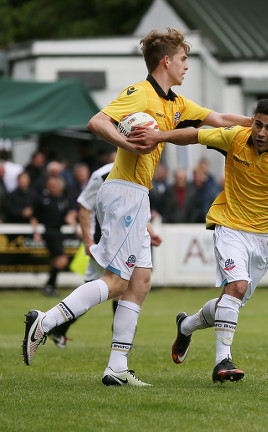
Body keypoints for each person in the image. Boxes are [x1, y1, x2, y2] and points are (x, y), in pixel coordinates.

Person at [22, 27, 252, 387]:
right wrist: (126, 144)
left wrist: (257, 125)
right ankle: (45, 322)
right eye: (183, 59)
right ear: (166, 61)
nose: (186, 65)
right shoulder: (139, 93)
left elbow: (219, 120)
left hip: (138, 196)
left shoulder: (176, 103)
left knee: (140, 282)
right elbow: (97, 122)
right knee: (115, 282)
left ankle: (116, 367)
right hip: (124, 192)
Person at [131, 98, 268, 383]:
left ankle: (187, 325)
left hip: (264, 239)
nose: (261, 132)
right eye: (258, 124)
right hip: (229, 226)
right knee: (236, 287)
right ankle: (222, 362)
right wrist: (159, 136)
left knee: (231, 300)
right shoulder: (235, 137)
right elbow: (194, 134)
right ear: (252, 121)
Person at [47, 160, 162, 348]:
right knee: (113, 287)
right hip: (104, 239)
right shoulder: (102, 175)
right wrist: (88, 242)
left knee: (113, 288)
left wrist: (150, 231)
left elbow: (138, 208)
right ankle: (120, 342)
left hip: (128, 238)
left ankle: (58, 328)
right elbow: (83, 206)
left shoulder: (142, 168)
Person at [31, 175, 78, 297]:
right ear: (47, 185)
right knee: (62, 260)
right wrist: (36, 232)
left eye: (55, 184)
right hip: (49, 232)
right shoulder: (42, 199)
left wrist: (74, 224)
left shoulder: (61, 199)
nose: (53, 187)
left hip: (58, 232)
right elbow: (34, 217)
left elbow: (67, 215)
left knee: (55, 261)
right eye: (51, 185)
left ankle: (51, 287)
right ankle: (49, 285)